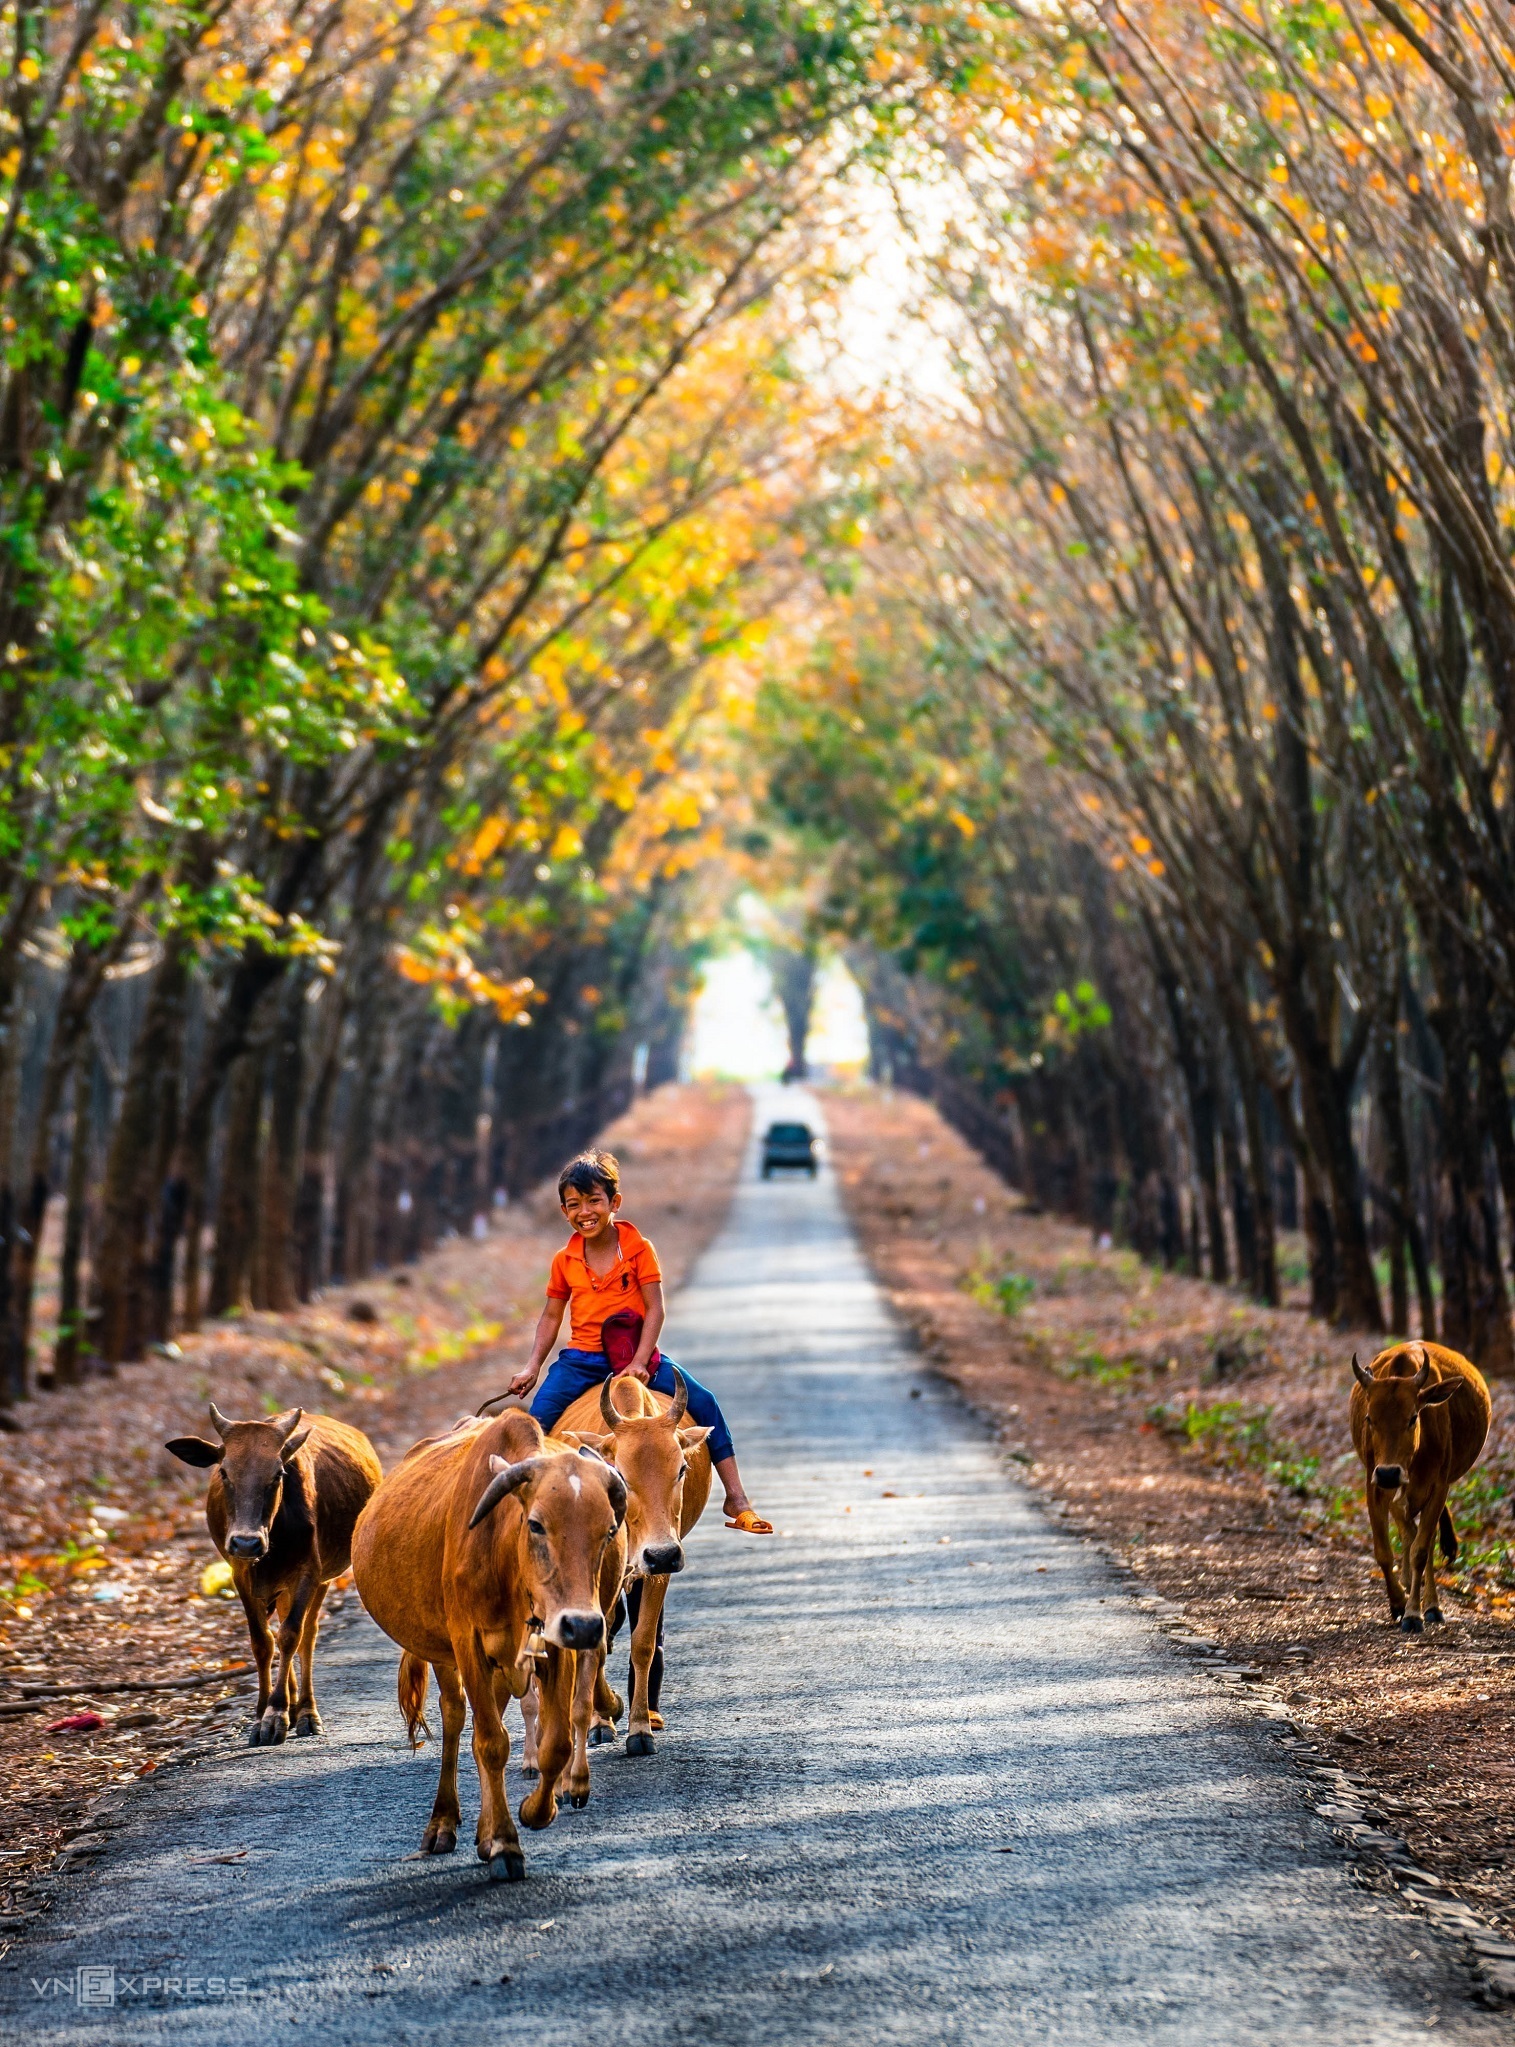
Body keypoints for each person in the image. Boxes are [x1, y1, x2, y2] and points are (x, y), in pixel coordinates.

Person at [507, 1149, 773, 1534]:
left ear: (614, 1202)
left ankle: (737, 1498)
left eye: (594, 1201)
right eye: (574, 1205)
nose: (585, 1212)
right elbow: (551, 1316)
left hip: (634, 1356)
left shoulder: (638, 1249)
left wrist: (639, 1360)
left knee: (705, 1403)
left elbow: (655, 1309)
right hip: (580, 1360)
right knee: (536, 1423)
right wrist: (532, 1366)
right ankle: (523, 1514)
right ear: (564, 1212)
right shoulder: (564, 1260)